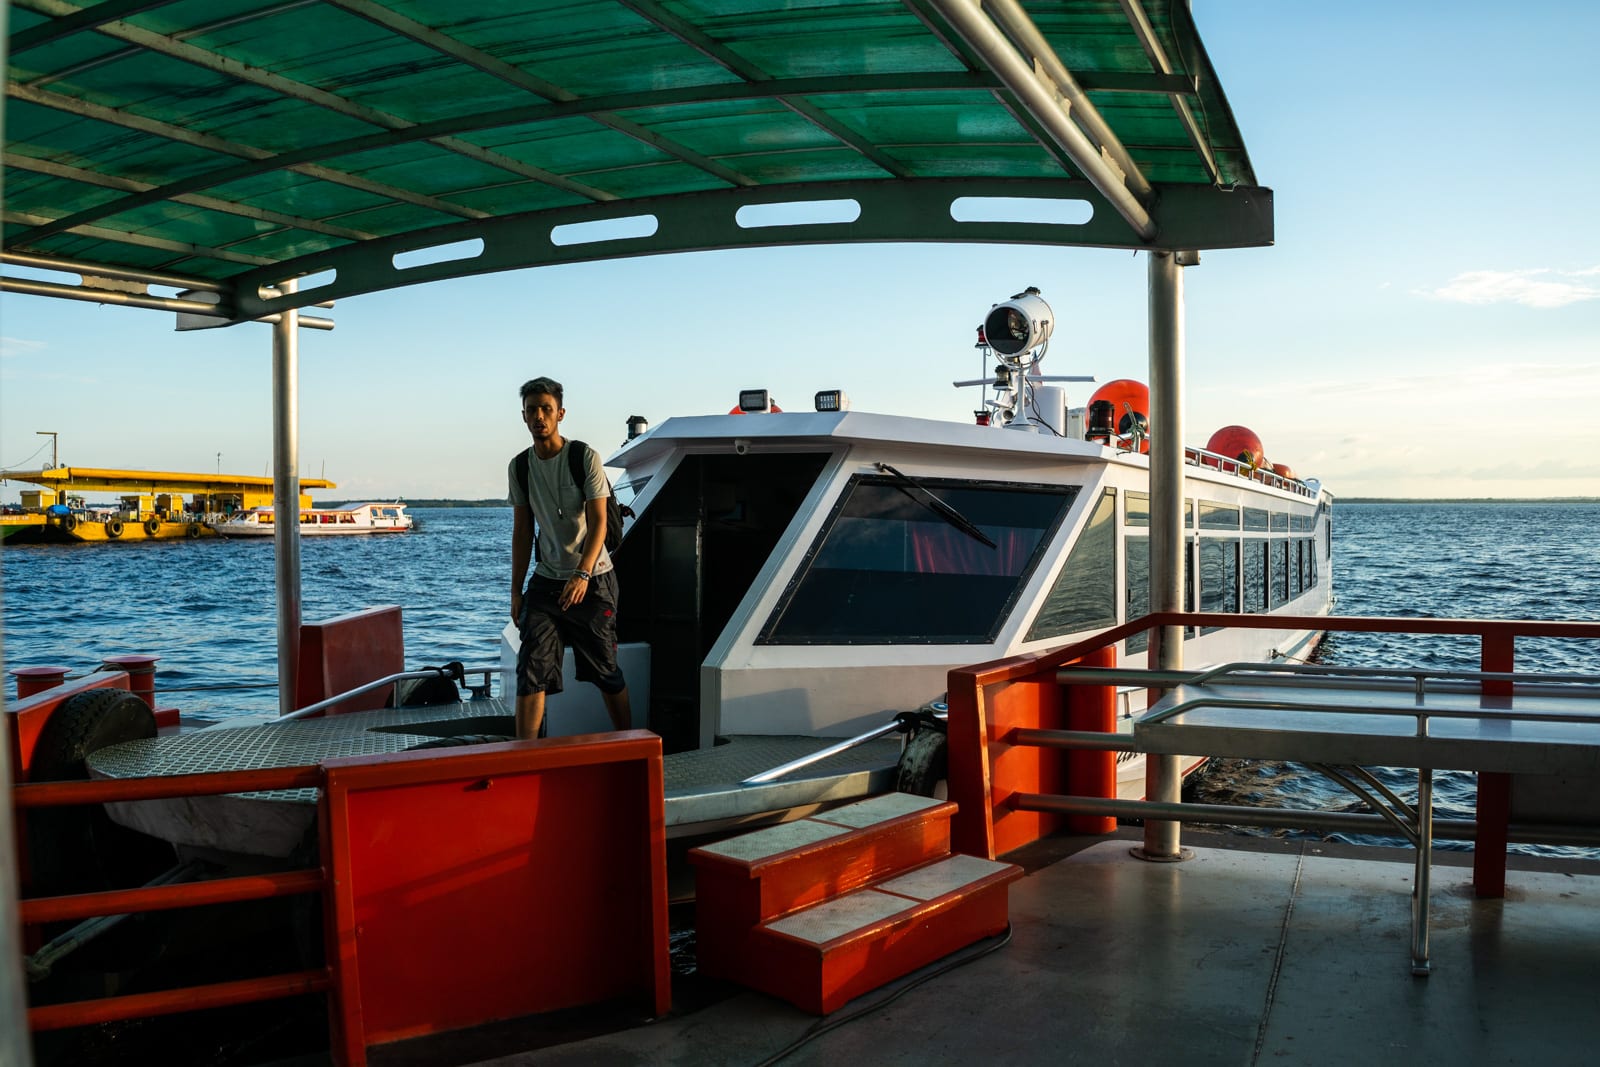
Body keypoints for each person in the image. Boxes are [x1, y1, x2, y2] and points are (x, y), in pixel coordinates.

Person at [508, 376, 630, 739]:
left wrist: (582, 574)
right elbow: (522, 533)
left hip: (593, 577)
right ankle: (523, 758)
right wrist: (515, 592)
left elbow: (599, 523)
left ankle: (627, 745)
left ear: (560, 413)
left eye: (546, 409)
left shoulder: (583, 457)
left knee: (605, 670)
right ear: (524, 417)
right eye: (532, 411)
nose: (539, 417)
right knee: (531, 668)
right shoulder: (520, 467)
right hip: (547, 580)